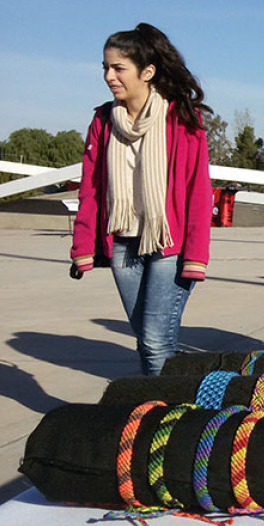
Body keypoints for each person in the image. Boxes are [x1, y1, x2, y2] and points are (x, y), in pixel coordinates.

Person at [69, 23, 213, 375]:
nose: (108, 76)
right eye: (105, 67)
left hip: (169, 244)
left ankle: (163, 418)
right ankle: (173, 405)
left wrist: (196, 255)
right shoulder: (103, 121)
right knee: (147, 338)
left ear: (146, 72)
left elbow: (198, 190)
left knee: (154, 341)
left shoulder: (181, 118)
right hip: (123, 243)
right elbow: (91, 187)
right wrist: (83, 247)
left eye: (118, 68)